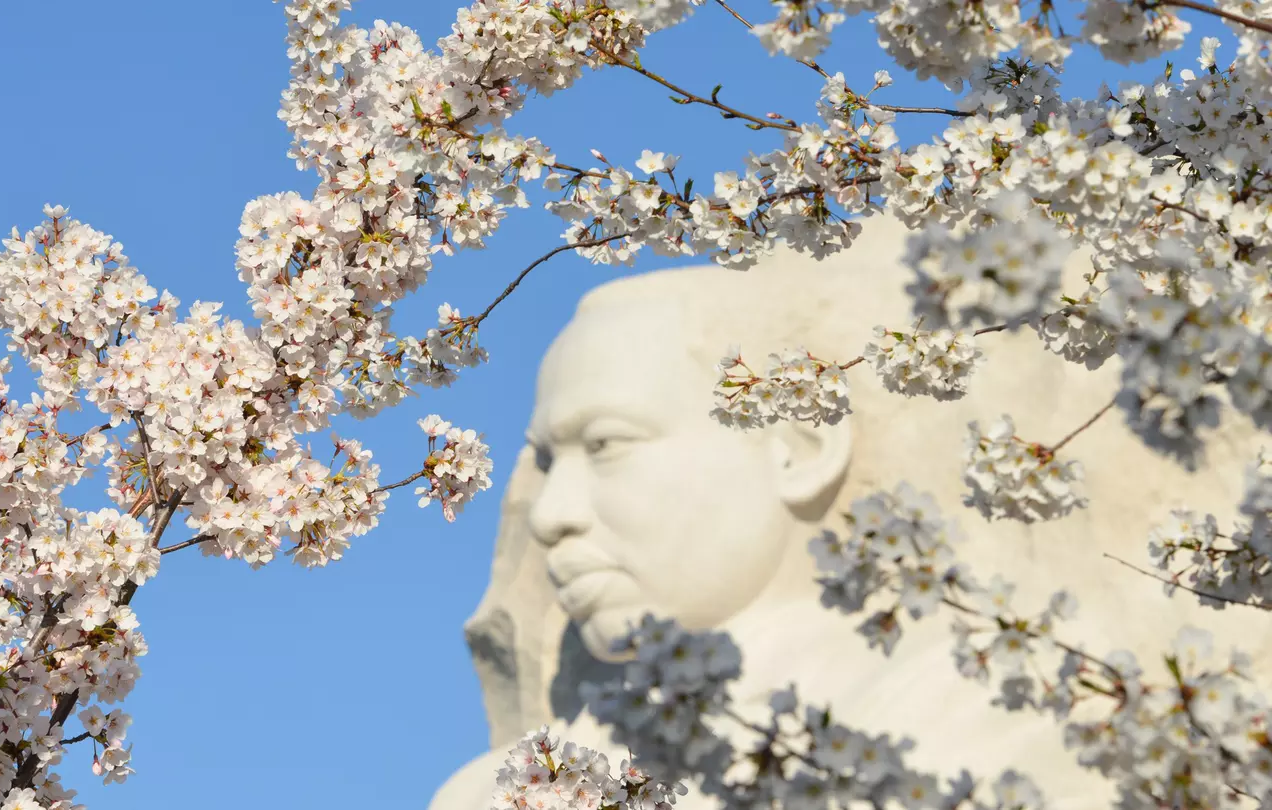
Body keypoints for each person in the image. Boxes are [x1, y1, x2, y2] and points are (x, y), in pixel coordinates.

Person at [430, 214, 1267, 809]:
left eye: (607, 444)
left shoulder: (1003, 710)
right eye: (548, 464)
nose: (554, 516)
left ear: (796, 447)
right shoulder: (490, 794)